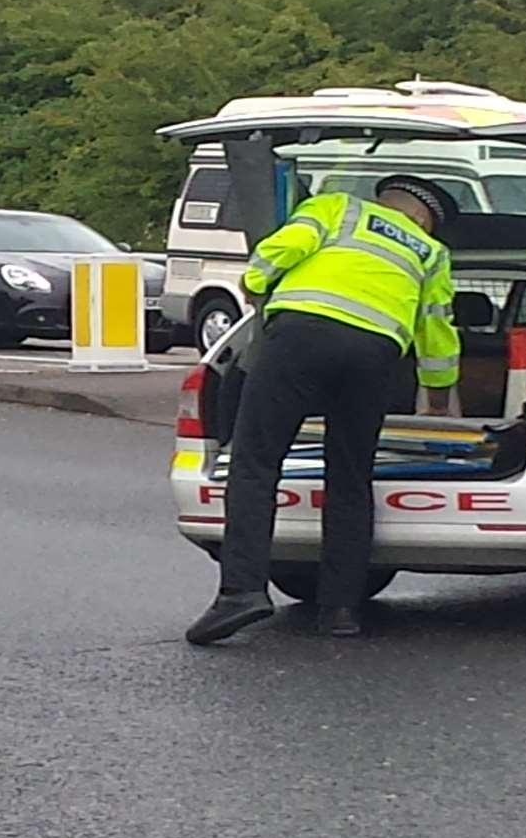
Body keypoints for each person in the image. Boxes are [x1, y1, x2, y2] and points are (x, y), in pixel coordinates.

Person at [186, 175, 461, 644]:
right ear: (424, 219)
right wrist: (438, 393)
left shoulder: (337, 208)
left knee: (255, 462)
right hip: (376, 356)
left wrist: (255, 282)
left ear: (388, 201)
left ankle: (242, 593)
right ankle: (340, 609)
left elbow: (284, 247)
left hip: (301, 336)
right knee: (350, 477)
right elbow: (436, 328)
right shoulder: (431, 253)